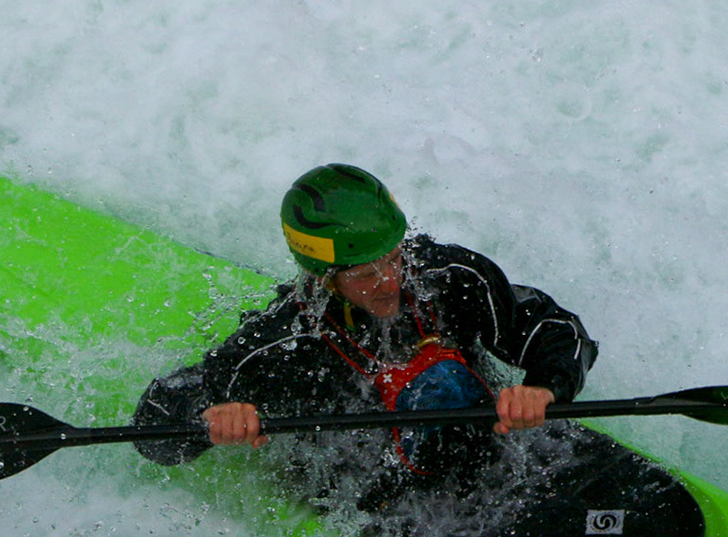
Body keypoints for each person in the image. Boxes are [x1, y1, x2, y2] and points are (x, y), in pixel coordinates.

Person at [130, 163, 598, 518]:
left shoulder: (451, 277)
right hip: (380, 499)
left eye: (393, 259)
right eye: (363, 274)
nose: (389, 282)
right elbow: (153, 425)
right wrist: (210, 417)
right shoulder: (286, 344)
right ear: (324, 276)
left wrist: (543, 385)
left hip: (495, 445)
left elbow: (557, 329)